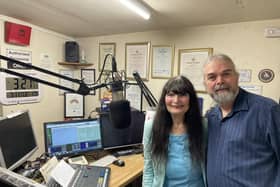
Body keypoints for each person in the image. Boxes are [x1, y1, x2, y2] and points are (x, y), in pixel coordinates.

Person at [203, 54, 280, 187]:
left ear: (237, 77)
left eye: (226, 74)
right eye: (212, 77)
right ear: (205, 84)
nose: (219, 81)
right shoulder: (210, 117)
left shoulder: (267, 111)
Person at [142, 75, 205, 187]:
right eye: (171, 94)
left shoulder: (203, 126)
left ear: (190, 99)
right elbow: (148, 168)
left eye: (182, 95)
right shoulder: (151, 127)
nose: (176, 100)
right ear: (164, 98)